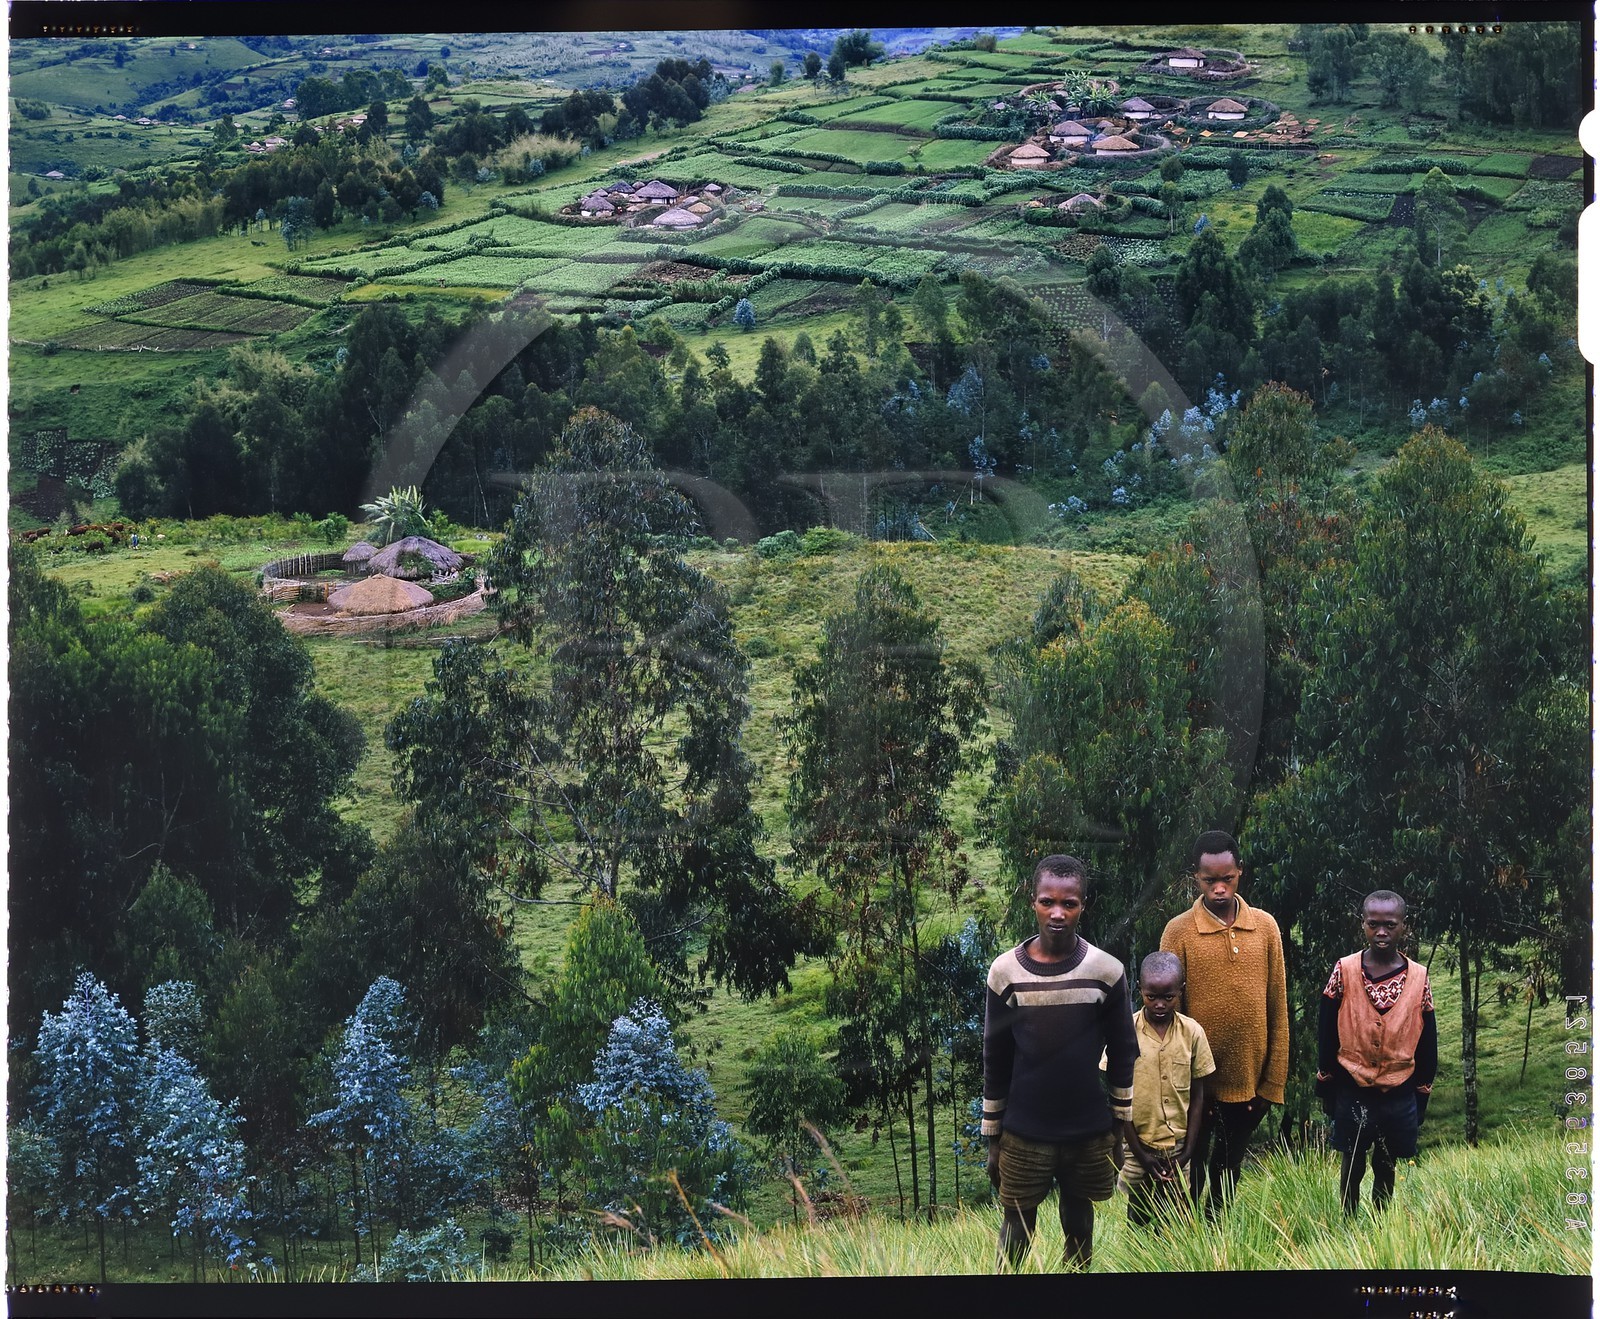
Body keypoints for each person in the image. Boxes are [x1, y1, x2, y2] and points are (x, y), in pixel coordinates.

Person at [983, 855, 1137, 1269]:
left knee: (1080, 1226)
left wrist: (1118, 1132)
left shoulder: (1106, 971)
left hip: (1086, 1131)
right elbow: (995, 1059)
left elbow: (1124, 1053)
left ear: (1082, 906)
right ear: (1032, 901)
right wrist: (993, 1138)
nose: (1057, 913)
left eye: (1069, 904)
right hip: (1023, 1130)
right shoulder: (1005, 973)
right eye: (1047, 901)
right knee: (1016, 1229)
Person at [1159, 829, 1288, 1217]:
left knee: (1228, 1170)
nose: (1218, 888)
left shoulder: (1265, 927)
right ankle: (1187, 1242)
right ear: (1195, 879)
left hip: (1249, 1084)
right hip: (1195, 1086)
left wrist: (1272, 1084)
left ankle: (1219, 1242)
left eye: (1226, 879)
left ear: (1240, 873)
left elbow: (1277, 1007)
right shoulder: (1178, 931)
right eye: (1209, 880)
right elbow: (1164, 1015)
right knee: (1191, 1170)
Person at [1316, 890, 1436, 1215]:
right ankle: (1349, 1223)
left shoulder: (1418, 977)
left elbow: (1428, 1039)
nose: (1381, 932)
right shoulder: (1345, 970)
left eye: (1390, 925)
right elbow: (1326, 1027)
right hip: (1353, 1086)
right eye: (1374, 925)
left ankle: (1381, 1227)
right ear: (1363, 925)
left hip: (1398, 1090)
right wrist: (1326, 1079)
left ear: (1403, 926)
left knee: (1386, 1163)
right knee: (1352, 1162)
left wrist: (1422, 1090)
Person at [1110, 950, 1215, 1229]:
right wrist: (1140, 1154)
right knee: (1139, 1211)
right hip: (1137, 1146)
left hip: (1178, 1145)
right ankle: (1138, 1261)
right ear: (1140, 990)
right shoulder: (1124, 1032)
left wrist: (1189, 1150)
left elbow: (1198, 1096)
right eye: (1150, 996)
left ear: (1181, 991)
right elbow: (1117, 1098)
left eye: (1168, 997)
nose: (1159, 1004)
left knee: (1179, 1212)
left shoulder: (1192, 1033)